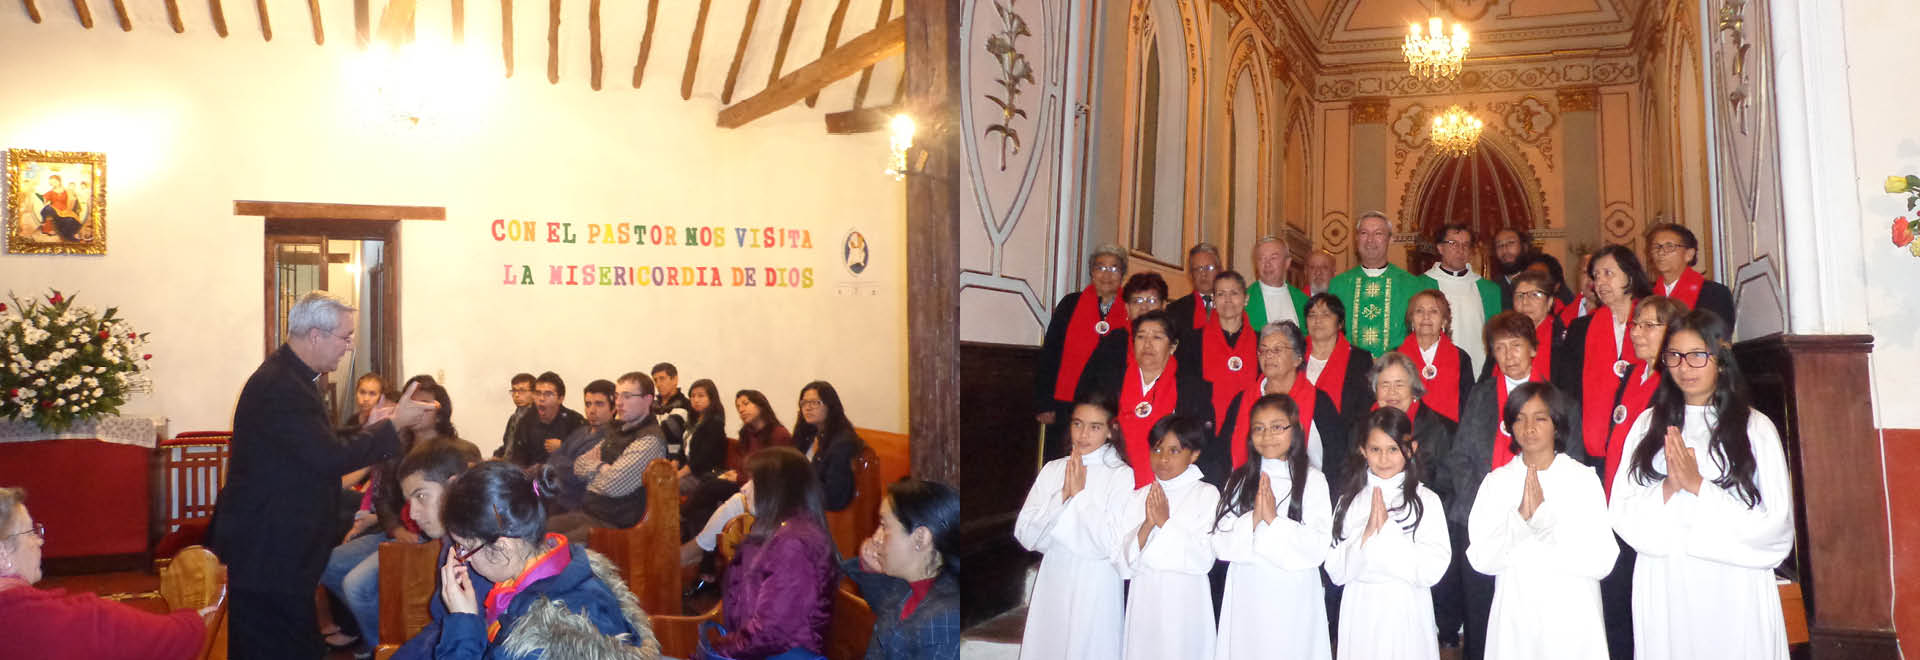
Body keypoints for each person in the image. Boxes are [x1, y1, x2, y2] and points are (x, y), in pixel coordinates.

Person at [209, 291, 438, 660]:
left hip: (274, 540)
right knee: (276, 644)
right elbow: (328, 457)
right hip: (270, 544)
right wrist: (393, 426)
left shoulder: (291, 377)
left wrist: (374, 426)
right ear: (316, 335)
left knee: (283, 641)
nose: (349, 347)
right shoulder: (283, 385)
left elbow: (317, 441)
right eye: (345, 337)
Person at [1608, 310, 1792, 660]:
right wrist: (1668, 489)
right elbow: (1621, 509)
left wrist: (1699, 487)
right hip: (1667, 581)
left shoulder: (1755, 428)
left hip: (1733, 583)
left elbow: (1776, 526)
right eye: (1674, 356)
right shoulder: (1648, 426)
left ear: (1720, 360)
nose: (1684, 367)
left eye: (1696, 355)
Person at [1442, 312, 1586, 660]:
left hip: (1540, 520)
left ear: (1534, 349)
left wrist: (1533, 511)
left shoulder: (1559, 401)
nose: (1508, 356)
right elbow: (1459, 458)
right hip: (1479, 517)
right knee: (1480, 613)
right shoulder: (1480, 395)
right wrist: (1487, 506)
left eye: (1516, 346)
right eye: (1500, 348)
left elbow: (1573, 463)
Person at [433, 462, 661, 659]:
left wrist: (462, 622)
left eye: (465, 548)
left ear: (503, 546)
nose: (464, 559)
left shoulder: (541, 639)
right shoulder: (572, 567)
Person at [1466, 383, 1616, 660]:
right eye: (1519, 418)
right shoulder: (1497, 482)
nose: (1529, 427)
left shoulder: (1582, 479)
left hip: (1571, 614)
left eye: (1540, 418)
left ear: (1556, 424)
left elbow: (1603, 560)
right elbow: (1481, 558)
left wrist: (1548, 526)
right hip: (1516, 611)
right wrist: (1520, 520)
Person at [0, 487, 220, 659]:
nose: (40, 539)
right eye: (30, 532)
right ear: (2, 554)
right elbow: (175, 638)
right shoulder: (82, 621)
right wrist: (195, 621)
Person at [322, 374, 457, 653]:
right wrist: (396, 529)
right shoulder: (396, 444)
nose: (416, 410)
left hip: (430, 536)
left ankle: (382, 649)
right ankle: (382, 632)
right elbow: (382, 497)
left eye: (425, 405)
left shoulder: (453, 450)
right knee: (329, 565)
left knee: (356, 585)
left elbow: (454, 506)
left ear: (440, 412)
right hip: (395, 529)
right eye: (413, 404)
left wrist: (416, 533)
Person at [1595, 295, 1687, 660]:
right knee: (1616, 601)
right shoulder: (1634, 373)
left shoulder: (1673, 383)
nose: (1638, 332)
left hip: (1649, 506)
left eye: (1650, 325)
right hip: (1617, 501)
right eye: (1636, 324)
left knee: (1642, 606)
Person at [1209, 395, 1333, 660]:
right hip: (1247, 591)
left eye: (1277, 427)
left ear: (1296, 431)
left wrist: (1274, 522)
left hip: (1293, 593)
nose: (1267, 436)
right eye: (1259, 428)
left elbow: (1318, 546)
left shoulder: (1312, 480)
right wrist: (1253, 520)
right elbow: (1219, 543)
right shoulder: (1239, 479)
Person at [1014, 391, 1135, 660]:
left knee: (1089, 645)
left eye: (1095, 427)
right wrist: (1062, 498)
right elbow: (1025, 534)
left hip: (1096, 580)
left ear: (1110, 431)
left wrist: (1080, 498)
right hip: (1055, 572)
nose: (1083, 434)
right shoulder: (1054, 469)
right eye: (1077, 424)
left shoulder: (1121, 475)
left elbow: (1110, 544)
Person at [1325, 408, 1451, 660]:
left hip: (1406, 607)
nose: (1384, 458)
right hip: (1360, 607)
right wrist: (1366, 534)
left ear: (1411, 448)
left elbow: (1433, 568)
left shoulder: (1427, 500)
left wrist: (1390, 534)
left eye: (1393, 449)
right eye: (1375, 449)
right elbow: (1335, 571)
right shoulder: (1348, 501)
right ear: (1363, 450)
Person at [701, 448, 838, 659]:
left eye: (753, 481)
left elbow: (772, 632)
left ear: (777, 488)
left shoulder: (794, 544)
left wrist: (717, 650)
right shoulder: (778, 531)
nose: (744, 489)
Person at [1116, 416, 1220, 660]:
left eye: (1174, 450)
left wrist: (1164, 523)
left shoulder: (1206, 494)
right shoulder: (1139, 496)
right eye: (1157, 449)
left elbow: (1203, 558)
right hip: (1145, 596)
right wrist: (1147, 525)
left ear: (1194, 454)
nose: (1163, 458)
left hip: (1185, 599)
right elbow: (1122, 563)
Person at [1082, 310, 1213, 487]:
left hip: (1170, 480)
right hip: (1113, 477)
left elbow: (1198, 441)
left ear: (1173, 346)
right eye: (1141, 337)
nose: (1148, 344)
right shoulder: (1111, 383)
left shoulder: (1191, 389)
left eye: (1157, 338)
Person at [1553, 245, 1653, 470]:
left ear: (1629, 275)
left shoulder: (1655, 321)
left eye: (1608, 273)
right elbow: (1568, 390)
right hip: (1593, 446)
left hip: (1644, 438)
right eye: (1596, 276)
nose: (1600, 282)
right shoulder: (1581, 328)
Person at [387, 440, 486, 660]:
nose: (412, 514)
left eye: (421, 496)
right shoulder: (451, 544)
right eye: (409, 501)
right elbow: (439, 630)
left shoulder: (484, 557)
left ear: (454, 486)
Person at [1214, 321, 1343, 487]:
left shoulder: (1318, 402)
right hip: (1246, 492)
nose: (1268, 355)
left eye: (1277, 350)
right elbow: (1222, 456)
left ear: (1297, 359)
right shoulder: (1242, 400)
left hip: (1305, 493)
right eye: (1264, 350)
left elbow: (1337, 459)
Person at [846, 479, 961, 660]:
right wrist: (869, 567)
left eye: (884, 526)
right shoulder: (908, 585)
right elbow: (885, 604)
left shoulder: (945, 620)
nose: (876, 538)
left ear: (920, 538)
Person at [1034, 245, 1131, 459]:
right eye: (1100, 267)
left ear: (1123, 274)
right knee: (1062, 458)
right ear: (1091, 272)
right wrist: (1045, 402)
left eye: (1114, 268)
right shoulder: (1071, 304)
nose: (1107, 274)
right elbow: (1051, 352)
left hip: (1111, 404)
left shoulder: (1130, 308)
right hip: (1067, 402)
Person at [551, 372, 666, 542]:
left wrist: (596, 470)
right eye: (617, 395)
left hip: (616, 526)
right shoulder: (618, 430)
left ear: (648, 400)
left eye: (627, 396)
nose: (619, 402)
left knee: (552, 548)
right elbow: (579, 465)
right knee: (536, 532)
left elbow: (613, 486)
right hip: (590, 513)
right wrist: (602, 468)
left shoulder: (649, 439)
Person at [1329, 211, 1438, 357]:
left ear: (1390, 239)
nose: (1370, 240)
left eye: (1378, 233)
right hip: (1349, 369)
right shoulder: (1338, 285)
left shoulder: (1411, 285)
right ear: (1356, 239)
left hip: (1397, 369)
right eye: (1364, 233)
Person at [1423, 224, 1503, 375]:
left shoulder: (1489, 290)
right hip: (1435, 370)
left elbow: (1497, 337)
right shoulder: (1420, 285)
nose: (1461, 250)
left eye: (1466, 244)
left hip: (1479, 370)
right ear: (1440, 248)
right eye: (1453, 243)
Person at [1192, 271, 1260, 445]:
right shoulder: (1193, 340)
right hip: (1206, 435)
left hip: (1252, 432)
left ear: (1246, 299)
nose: (1228, 300)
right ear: (1213, 300)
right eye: (1221, 294)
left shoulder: (1262, 342)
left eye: (1234, 293)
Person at [1395, 289, 1476, 429]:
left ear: (1444, 321)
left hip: (1448, 438)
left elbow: (1468, 407)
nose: (1426, 316)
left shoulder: (1461, 358)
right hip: (1403, 435)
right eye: (1419, 311)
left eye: (1434, 311)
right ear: (1411, 320)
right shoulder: (1395, 357)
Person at [792, 381, 867, 512]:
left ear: (830, 406)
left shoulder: (842, 443)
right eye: (804, 403)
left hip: (820, 513)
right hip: (803, 505)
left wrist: (798, 486)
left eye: (815, 403)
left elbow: (834, 497)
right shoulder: (807, 436)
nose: (808, 408)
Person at [1644, 223, 1735, 328]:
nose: (1660, 252)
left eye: (1669, 246)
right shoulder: (1646, 294)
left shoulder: (1714, 293)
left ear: (1689, 254)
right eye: (1656, 247)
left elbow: (1718, 337)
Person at [547, 378, 618, 514]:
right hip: (557, 496)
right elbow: (553, 459)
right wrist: (568, 464)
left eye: (599, 404)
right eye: (588, 404)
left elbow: (577, 475)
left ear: (614, 408)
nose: (591, 410)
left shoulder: (612, 439)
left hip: (577, 504)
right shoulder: (580, 431)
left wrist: (563, 464)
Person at [1304, 294, 1376, 417]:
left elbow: (1364, 409)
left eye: (1326, 314)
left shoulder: (1360, 359)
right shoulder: (1293, 353)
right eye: (1312, 315)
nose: (1318, 320)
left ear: (1340, 323)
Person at [503, 372, 585, 467]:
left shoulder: (575, 421)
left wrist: (564, 447)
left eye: (548, 394)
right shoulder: (526, 421)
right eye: (538, 393)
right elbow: (518, 459)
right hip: (532, 480)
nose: (541, 398)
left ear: (560, 398)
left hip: (564, 479)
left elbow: (586, 457)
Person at [1504, 269, 1564, 382]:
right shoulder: (1503, 336)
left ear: (1550, 302)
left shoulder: (1564, 339)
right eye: (1520, 296)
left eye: (1534, 295)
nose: (1525, 302)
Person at [1246, 237, 1310, 331]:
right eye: (1262, 259)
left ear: (1287, 263)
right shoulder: (1244, 300)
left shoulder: (1303, 301)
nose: (1267, 264)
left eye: (1273, 258)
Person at [1167, 242, 1223, 330]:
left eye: (1209, 268)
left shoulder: (1232, 306)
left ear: (1220, 270)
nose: (1204, 274)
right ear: (1191, 275)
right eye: (1198, 269)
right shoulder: (1175, 310)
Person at [652, 363, 695, 465]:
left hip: (674, 460)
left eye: (662, 379)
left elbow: (668, 431)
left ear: (675, 379)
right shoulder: (653, 404)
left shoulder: (685, 405)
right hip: (651, 457)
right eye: (655, 380)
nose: (658, 384)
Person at [500, 373, 536, 456]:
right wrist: (496, 456)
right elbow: (508, 446)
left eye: (522, 391)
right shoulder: (513, 418)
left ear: (534, 393)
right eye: (514, 391)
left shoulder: (539, 418)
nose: (516, 395)